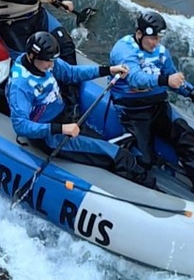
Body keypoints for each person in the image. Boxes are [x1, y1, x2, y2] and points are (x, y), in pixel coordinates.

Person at [8, 32, 155, 187]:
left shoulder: (45, 62)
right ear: (32, 56)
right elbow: (20, 126)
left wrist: (109, 70)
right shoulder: (21, 86)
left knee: (110, 147)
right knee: (118, 156)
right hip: (51, 136)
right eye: (48, 62)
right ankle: (150, 189)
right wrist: (62, 128)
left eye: (52, 61)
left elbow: (71, 73)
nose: (51, 65)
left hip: (66, 119)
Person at [109, 10, 194, 205]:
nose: (155, 43)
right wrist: (165, 79)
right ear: (139, 34)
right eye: (151, 38)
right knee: (144, 159)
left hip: (158, 106)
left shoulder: (161, 52)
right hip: (132, 110)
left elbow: (173, 77)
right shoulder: (123, 50)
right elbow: (136, 79)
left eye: (158, 38)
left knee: (188, 137)